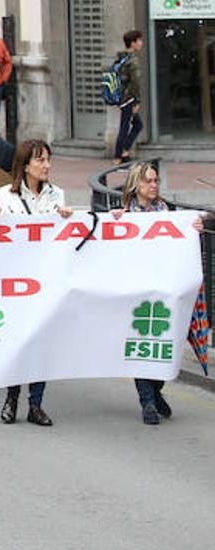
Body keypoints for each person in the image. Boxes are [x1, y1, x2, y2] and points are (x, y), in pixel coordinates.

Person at [0, 139, 72, 427]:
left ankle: (36, 404)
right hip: (14, 283)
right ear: (25, 165)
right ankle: (12, 397)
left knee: (41, 342)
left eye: (48, 160)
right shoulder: (3, 196)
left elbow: (65, 237)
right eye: (40, 160)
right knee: (18, 343)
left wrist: (67, 219)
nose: (46, 166)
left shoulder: (56, 194)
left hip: (45, 281)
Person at [111, 162, 199, 424]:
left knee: (164, 344)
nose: (154, 185)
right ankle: (147, 401)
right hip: (138, 291)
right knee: (142, 345)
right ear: (136, 184)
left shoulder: (167, 212)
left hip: (164, 289)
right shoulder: (124, 215)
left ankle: (156, 390)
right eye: (148, 181)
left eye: (156, 181)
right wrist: (115, 222)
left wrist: (191, 227)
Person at [113, 29, 144, 163]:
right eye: (139, 40)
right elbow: (135, 82)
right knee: (126, 126)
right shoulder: (132, 61)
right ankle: (118, 156)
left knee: (135, 125)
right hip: (129, 98)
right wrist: (137, 101)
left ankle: (124, 152)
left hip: (122, 97)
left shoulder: (122, 58)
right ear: (133, 43)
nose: (141, 43)